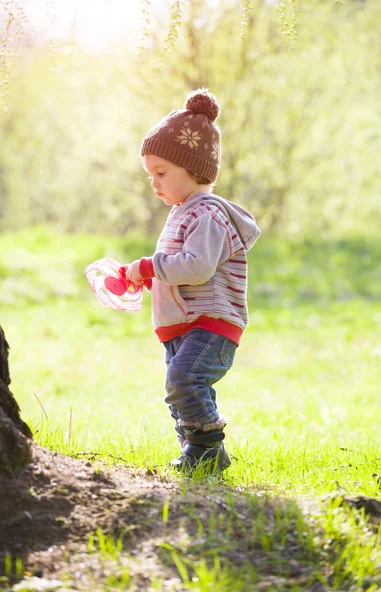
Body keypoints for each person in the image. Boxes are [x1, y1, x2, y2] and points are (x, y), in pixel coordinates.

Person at [125, 89, 260, 473]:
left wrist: (150, 267)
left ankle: (207, 453)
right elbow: (185, 272)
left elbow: (198, 266)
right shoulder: (185, 212)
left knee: (184, 379)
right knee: (178, 390)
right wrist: (152, 281)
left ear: (194, 169)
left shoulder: (208, 215)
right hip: (184, 325)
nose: (154, 183)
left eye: (161, 173)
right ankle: (195, 454)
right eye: (151, 174)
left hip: (211, 325)